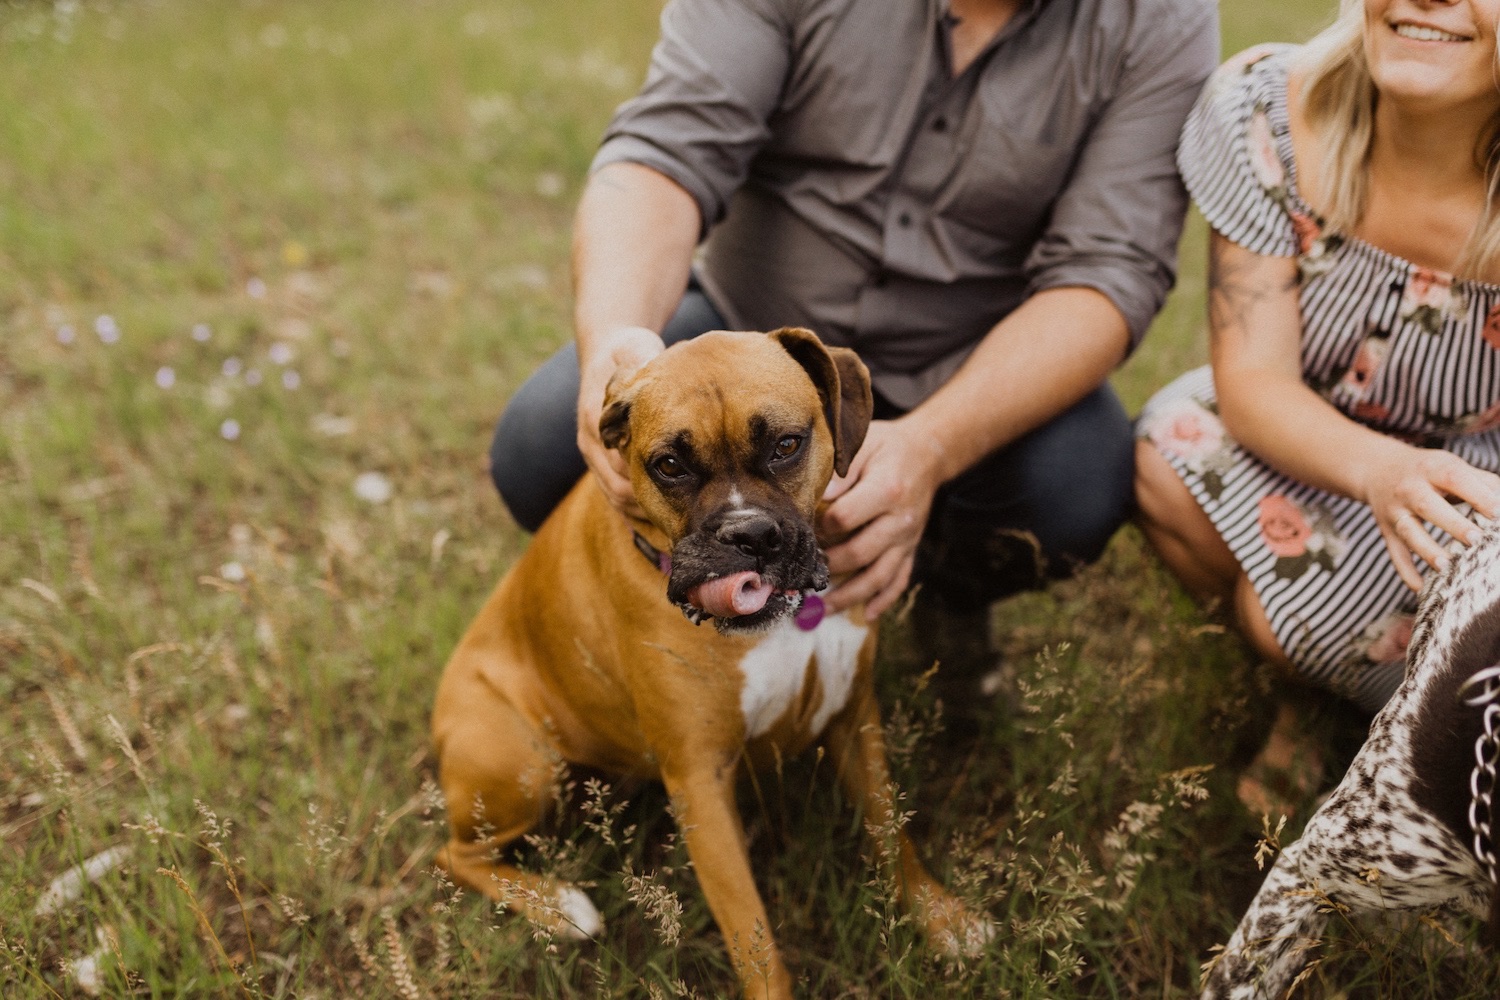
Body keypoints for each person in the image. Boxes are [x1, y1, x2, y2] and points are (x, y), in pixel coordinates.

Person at [493, 0, 1218, 671]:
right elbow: (665, 152)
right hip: (747, 325)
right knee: (541, 448)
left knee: (1074, 489)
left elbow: (1107, 275)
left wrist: (933, 446)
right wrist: (617, 336)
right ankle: (685, 634)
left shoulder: (1160, 17)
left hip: (972, 358)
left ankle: (941, 596)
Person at [1136, 0, 1500, 801]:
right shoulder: (1268, 109)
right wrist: (1381, 470)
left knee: (1284, 618)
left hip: (1481, 485)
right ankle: (1316, 687)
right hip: (1327, 440)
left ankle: (1403, 739)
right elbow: (1255, 378)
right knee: (1173, 444)